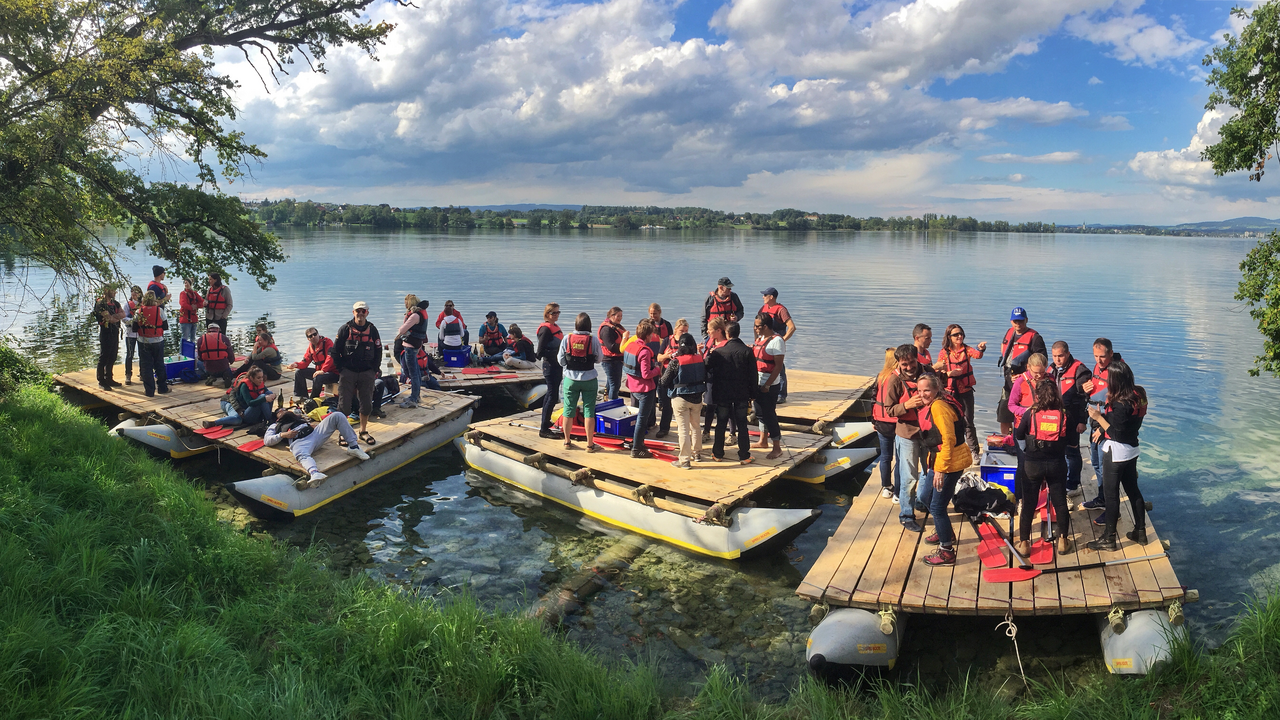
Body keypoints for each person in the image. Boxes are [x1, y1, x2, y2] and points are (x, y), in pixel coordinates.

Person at [1085, 360, 1147, 551]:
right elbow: (1125, 425)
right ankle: (1140, 531)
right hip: (1132, 449)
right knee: (1133, 491)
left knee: (1111, 497)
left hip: (1117, 452)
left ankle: (1108, 538)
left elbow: (1115, 433)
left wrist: (1098, 418)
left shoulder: (1121, 404)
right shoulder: (1139, 393)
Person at [914, 374, 973, 566]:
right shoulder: (936, 402)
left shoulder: (939, 407)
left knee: (938, 507)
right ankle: (945, 531)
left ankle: (947, 551)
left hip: (948, 463)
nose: (922, 394)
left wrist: (940, 469)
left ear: (936, 390)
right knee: (924, 497)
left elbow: (948, 440)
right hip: (938, 460)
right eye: (919, 390)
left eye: (927, 391)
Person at [1012, 379, 1073, 557]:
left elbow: (1018, 434)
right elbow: (1071, 439)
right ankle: (1062, 540)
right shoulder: (1064, 414)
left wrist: (1026, 450)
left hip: (1032, 464)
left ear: (1037, 395)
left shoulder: (1030, 414)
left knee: (1029, 504)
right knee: (1060, 502)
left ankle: (1024, 543)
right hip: (1056, 464)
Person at [264, 408, 370, 489]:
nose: (283, 411)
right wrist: (283, 435)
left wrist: (311, 425)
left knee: (337, 415)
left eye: (284, 409)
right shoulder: (275, 425)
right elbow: (267, 440)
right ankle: (314, 473)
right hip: (300, 441)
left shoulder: (298, 417)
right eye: (280, 411)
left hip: (315, 434)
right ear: (277, 417)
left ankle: (353, 446)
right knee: (300, 453)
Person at [883, 344, 927, 532]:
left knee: (929, 471)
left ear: (917, 359)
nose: (909, 367)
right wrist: (907, 405)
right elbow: (889, 410)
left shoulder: (928, 373)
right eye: (904, 364)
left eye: (911, 362)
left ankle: (922, 502)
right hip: (907, 433)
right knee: (909, 477)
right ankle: (906, 514)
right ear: (899, 363)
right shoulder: (894, 381)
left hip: (928, 431)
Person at [1081, 338, 1122, 519]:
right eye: (1096, 356)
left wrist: (1103, 429)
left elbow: (1117, 408)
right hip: (1095, 422)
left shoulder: (1117, 373)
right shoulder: (1099, 368)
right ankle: (1102, 498)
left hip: (1106, 426)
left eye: (1103, 356)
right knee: (1096, 463)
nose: (1099, 360)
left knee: (1106, 467)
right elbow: (1095, 393)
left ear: (1111, 354)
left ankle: (1113, 510)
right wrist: (1085, 388)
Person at [332, 301, 382, 446]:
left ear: (367, 312)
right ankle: (343, 433)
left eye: (363, 311)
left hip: (367, 372)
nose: (360, 314)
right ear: (353, 312)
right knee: (344, 404)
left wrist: (374, 369)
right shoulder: (344, 329)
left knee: (366, 403)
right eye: (358, 311)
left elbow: (378, 350)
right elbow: (335, 351)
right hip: (348, 372)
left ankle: (363, 431)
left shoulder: (372, 330)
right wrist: (341, 369)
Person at [705, 322, 756, 464]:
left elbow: (707, 365)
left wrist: (708, 354)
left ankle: (718, 454)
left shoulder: (718, 352)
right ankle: (744, 455)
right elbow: (753, 375)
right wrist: (753, 394)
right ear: (738, 333)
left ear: (727, 334)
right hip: (741, 393)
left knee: (721, 423)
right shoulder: (747, 351)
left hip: (722, 394)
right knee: (742, 424)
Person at [935, 323, 986, 457]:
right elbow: (937, 372)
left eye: (961, 334)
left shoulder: (967, 350)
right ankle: (951, 449)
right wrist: (949, 374)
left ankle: (974, 451)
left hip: (966, 392)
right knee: (950, 421)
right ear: (949, 337)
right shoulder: (944, 353)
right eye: (956, 334)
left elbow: (977, 355)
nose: (959, 336)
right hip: (949, 392)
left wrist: (981, 349)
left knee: (968, 421)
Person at [1050, 340, 1092, 497]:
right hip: (1055, 418)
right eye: (1054, 356)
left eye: (1060, 356)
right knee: (1057, 451)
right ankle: (1058, 480)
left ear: (1067, 353)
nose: (1057, 359)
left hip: (1073, 418)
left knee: (1072, 452)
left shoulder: (1080, 371)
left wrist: (1082, 421)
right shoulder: (1052, 368)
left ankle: (1073, 484)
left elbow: (1085, 399)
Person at [558, 313, 604, 452]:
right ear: (589, 325)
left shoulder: (567, 338)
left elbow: (560, 360)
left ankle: (567, 442)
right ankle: (590, 445)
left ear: (575, 325)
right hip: (589, 379)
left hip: (570, 379)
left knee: (568, 409)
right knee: (589, 411)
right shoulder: (593, 340)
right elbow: (599, 359)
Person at [624, 319, 670, 458]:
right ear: (647, 335)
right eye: (650, 334)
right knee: (642, 419)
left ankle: (638, 442)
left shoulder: (630, 346)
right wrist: (657, 369)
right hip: (644, 390)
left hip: (633, 387)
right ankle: (637, 449)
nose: (652, 337)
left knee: (639, 417)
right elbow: (646, 374)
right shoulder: (644, 352)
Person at [996, 307, 1046, 434]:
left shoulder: (1035, 338)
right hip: (1008, 382)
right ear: (1011, 321)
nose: (1018, 324)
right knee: (1004, 413)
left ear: (1026, 320)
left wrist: (1024, 375)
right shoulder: (1009, 333)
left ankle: (1025, 439)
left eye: (1021, 321)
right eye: (1015, 321)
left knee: (1025, 414)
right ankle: (1006, 440)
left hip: (1026, 383)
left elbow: (1041, 362)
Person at [660, 333, 705, 469]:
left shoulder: (676, 362)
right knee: (696, 426)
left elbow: (664, 381)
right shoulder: (700, 359)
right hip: (697, 397)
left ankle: (684, 460)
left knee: (683, 429)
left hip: (681, 398)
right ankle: (697, 454)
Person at [751, 312, 786, 460]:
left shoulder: (777, 341)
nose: (755, 328)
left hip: (769, 385)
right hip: (758, 382)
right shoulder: (761, 338)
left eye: (757, 326)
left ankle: (777, 447)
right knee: (759, 412)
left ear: (765, 326)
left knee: (769, 414)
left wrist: (767, 384)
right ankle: (763, 440)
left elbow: (778, 367)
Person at [204, 367, 276, 428]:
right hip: (228, 402)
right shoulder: (243, 386)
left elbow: (266, 395)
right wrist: (238, 410)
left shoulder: (259, 383)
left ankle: (268, 419)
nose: (261, 380)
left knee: (268, 393)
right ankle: (214, 423)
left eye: (262, 377)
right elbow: (248, 402)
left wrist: (273, 395)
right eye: (258, 378)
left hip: (244, 407)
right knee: (237, 419)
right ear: (251, 378)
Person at [757, 287, 796, 402]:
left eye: (765, 295)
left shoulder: (781, 310)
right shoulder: (763, 308)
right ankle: (767, 388)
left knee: (779, 367)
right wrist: (757, 339)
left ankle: (781, 395)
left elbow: (792, 327)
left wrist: (782, 340)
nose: (763, 297)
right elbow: (757, 322)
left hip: (776, 343)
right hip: (764, 342)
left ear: (771, 297)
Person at [393, 295, 430, 408]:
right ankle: (416, 395)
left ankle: (413, 399)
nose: (405, 305)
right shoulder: (422, 313)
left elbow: (402, 329)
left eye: (406, 302)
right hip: (416, 345)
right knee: (416, 373)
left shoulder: (414, 316)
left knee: (413, 373)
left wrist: (401, 331)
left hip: (410, 346)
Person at [871, 348, 898, 500]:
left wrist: (873, 420)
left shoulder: (880, 377)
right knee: (900, 458)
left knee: (885, 456)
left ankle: (886, 487)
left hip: (881, 422)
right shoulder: (898, 378)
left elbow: (873, 399)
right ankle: (899, 490)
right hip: (896, 422)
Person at [132, 291, 169, 397]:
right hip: (158, 341)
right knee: (159, 364)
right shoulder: (160, 310)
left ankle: (149, 391)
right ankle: (162, 388)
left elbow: (134, 328)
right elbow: (165, 326)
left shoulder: (139, 312)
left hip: (143, 341)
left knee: (146, 367)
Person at [536, 303, 565, 438]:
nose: (557, 315)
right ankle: (543, 430)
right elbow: (540, 352)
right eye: (554, 313)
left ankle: (546, 423)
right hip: (550, 366)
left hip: (557, 365)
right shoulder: (546, 330)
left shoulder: (554, 327)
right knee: (552, 396)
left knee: (550, 394)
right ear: (547, 314)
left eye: (558, 312)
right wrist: (556, 352)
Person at [647, 304, 674, 437]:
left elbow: (670, 340)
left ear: (660, 312)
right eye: (651, 314)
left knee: (662, 386)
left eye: (655, 314)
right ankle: (651, 419)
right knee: (653, 388)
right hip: (651, 360)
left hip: (663, 360)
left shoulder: (667, 325)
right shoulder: (646, 325)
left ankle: (662, 404)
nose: (653, 316)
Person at [92, 286, 127, 390]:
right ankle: (101, 381)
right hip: (106, 332)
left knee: (113, 355)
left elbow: (123, 314)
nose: (115, 292)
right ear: (107, 291)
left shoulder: (115, 303)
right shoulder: (100, 304)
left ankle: (109, 378)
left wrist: (114, 317)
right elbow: (108, 319)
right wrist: (116, 317)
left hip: (115, 331)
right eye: (113, 290)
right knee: (104, 356)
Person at [701, 317, 729, 442]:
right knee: (709, 406)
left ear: (718, 330)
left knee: (727, 408)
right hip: (710, 378)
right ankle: (706, 431)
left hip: (722, 379)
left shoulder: (727, 344)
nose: (708, 332)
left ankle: (732, 434)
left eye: (710, 330)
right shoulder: (710, 341)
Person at [292, 327, 335, 399]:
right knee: (299, 372)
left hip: (332, 373)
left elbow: (330, 357)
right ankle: (302, 396)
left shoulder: (327, 342)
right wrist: (296, 365)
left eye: (315, 334)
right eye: (310, 336)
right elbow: (305, 361)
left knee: (318, 377)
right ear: (308, 339)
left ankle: (313, 399)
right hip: (320, 372)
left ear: (318, 334)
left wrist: (323, 370)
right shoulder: (311, 347)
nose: (313, 337)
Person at [701, 277, 744, 342]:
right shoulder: (710, 299)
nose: (730, 289)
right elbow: (703, 318)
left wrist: (737, 317)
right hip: (713, 336)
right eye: (728, 288)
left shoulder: (734, 297)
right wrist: (705, 336)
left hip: (729, 335)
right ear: (721, 287)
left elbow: (741, 311)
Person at [598, 307, 627, 400]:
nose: (620, 318)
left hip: (616, 360)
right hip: (609, 361)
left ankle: (606, 400)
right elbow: (611, 347)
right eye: (618, 316)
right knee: (615, 385)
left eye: (621, 316)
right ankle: (613, 404)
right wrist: (624, 344)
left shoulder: (616, 327)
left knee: (610, 383)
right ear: (611, 316)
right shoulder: (607, 329)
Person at [197, 324, 235, 388]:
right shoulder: (224, 338)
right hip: (223, 366)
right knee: (228, 373)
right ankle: (226, 377)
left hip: (209, 367)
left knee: (199, 362)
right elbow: (230, 353)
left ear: (208, 330)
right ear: (218, 329)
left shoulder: (200, 339)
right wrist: (231, 361)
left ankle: (211, 376)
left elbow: (200, 356)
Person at [122, 285, 142, 385]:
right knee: (130, 354)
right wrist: (133, 320)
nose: (134, 293)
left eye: (136, 292)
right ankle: (128, 375)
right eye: (132, 291)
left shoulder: (142, 305)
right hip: (130, 333)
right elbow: (124, 318)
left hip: (141, 333)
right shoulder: (127, 305)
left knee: (142, 354)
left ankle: (143, 373)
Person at [176, 279, 203, 344]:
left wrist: (196, 306)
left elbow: (202, 302)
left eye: (187, 283)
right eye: (185, 283)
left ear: (191, 284)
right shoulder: (183, 294)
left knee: (193, 338)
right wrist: (191, 307)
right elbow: (183, 304)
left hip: (193, 319)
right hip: (185, 319)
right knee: (184, 337)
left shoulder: (195, 294)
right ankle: (182, 353)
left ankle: (191, 352)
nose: (186, 284)